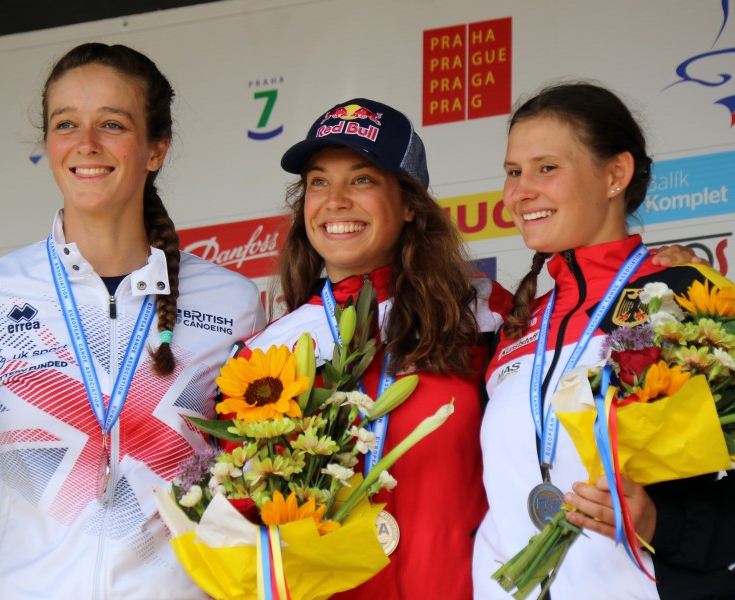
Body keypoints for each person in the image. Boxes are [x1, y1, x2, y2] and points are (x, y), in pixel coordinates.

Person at [0, 42, 265, 599]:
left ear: (155, 149)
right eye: (66, 124)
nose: (85, 145)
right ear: (47, 143)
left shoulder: (232, 302)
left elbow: (253, 490)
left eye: (111, 124)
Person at [232, 98, 512, 598]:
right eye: (319, 181)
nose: (335, 200)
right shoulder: (266, 354)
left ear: (409, 203)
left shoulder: (486, 317)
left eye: (361, 179)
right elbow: (246, 510)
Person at [473, 81, 734, 599]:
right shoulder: (516, 325)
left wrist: (662, 522)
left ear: (615, 175)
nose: (521, 191)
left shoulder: (687, 297)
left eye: (547, 168)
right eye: (513, 172)